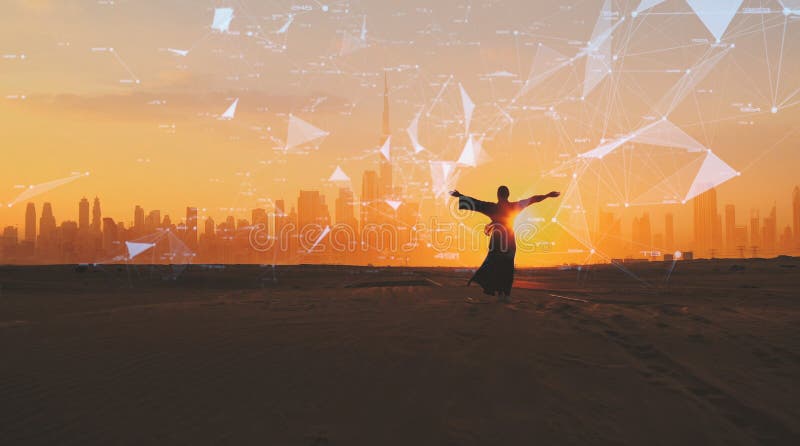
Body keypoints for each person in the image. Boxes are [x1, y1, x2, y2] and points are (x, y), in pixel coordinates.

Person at [450, 186, 560, 302]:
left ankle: (500, 293)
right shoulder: (514, 207)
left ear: (498, 195)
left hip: (497, 241)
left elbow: (476, 203)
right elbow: (532, 200)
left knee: (495, 266)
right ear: (508, 195)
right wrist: (547, 195)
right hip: (509, 241)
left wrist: (459, 196)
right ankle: (505, 294)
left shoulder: (493, 208)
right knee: (507, 267)